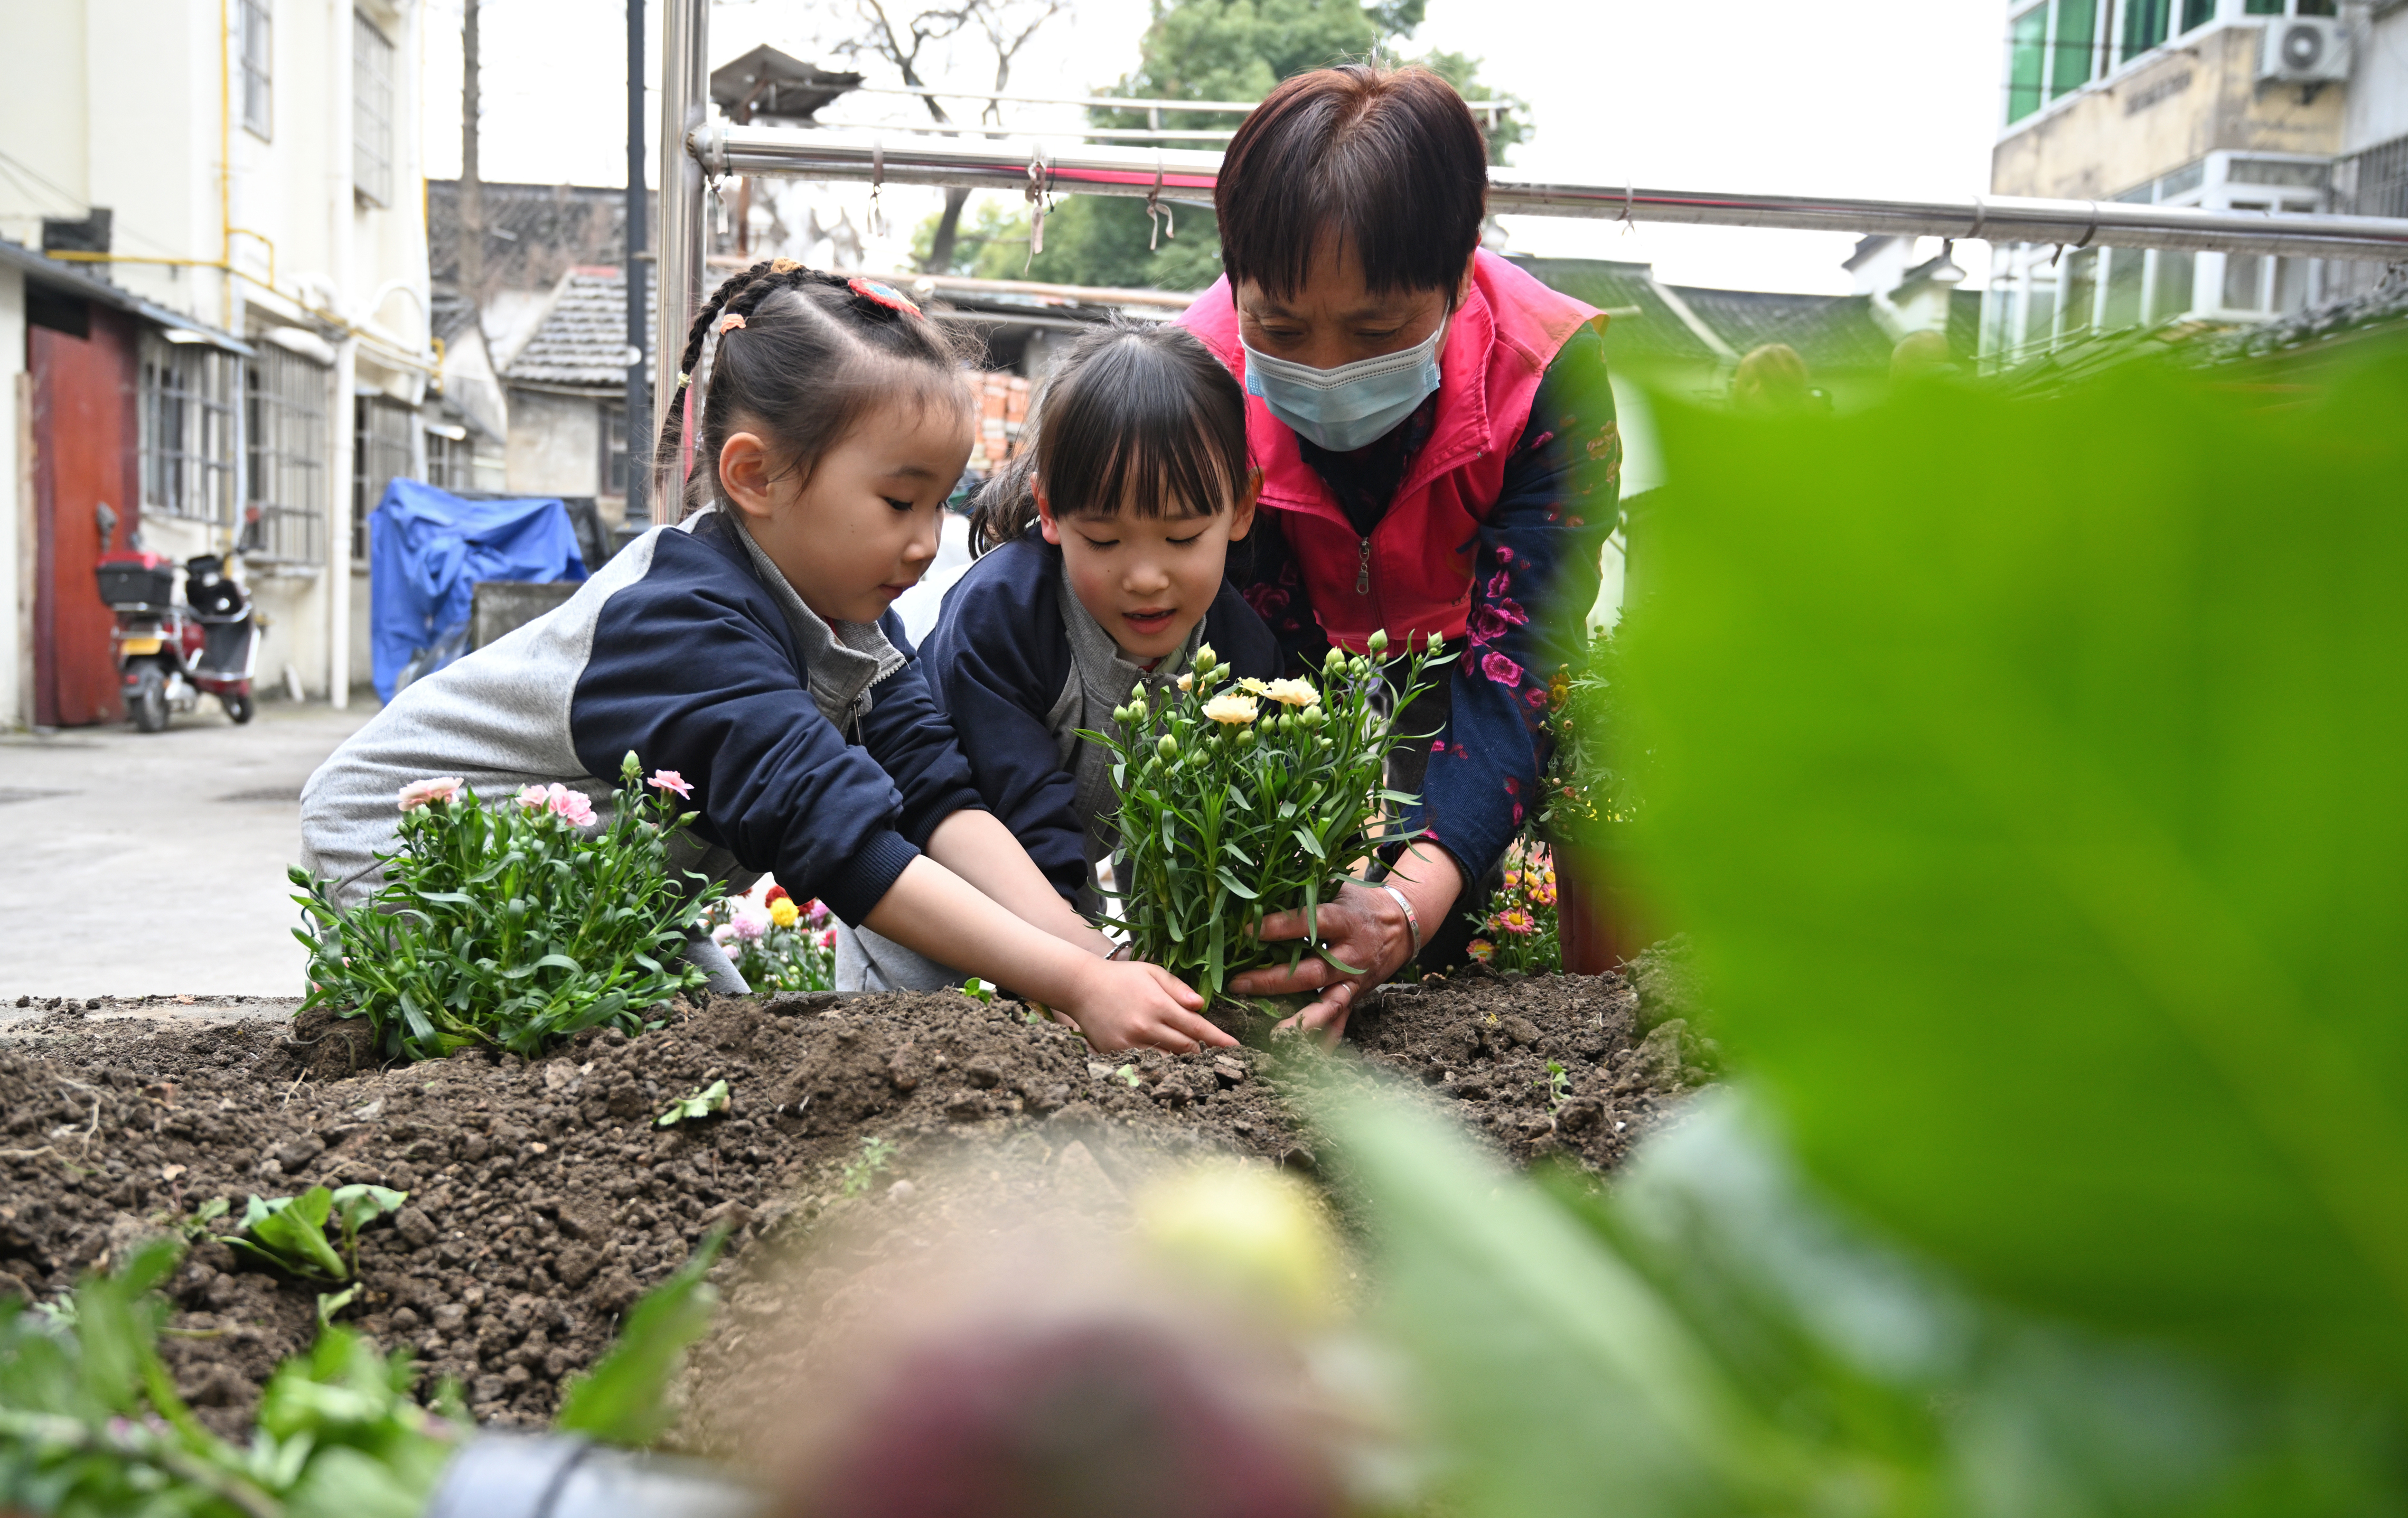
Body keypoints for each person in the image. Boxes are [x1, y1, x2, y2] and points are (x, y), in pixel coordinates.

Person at [298, 259, 1231, 1055]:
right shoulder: (684, 622)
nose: (926, 540)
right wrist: (1072, 981)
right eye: (900, 502)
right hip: (413, 851)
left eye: (943, 502)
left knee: (718, 1053)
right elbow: (843, 840)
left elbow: (939, 797)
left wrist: (1091, 955)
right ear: (755, 476)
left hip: (593, 889)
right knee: (597, 1059)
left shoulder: (853, 624)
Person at [1174, 64, 1623, 1039]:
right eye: (1282, 328)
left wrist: (1407, 904)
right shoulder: (1199, 376)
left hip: (1460, 650)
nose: (1326, 368)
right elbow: (1234, 644)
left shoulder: (1546, 372)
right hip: (1279, 652)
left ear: (1459, 278)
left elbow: (1521, 661)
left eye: (1377, 329)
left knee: (1440, 923)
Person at [841, 322, 1282, 991]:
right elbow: (1025, 810)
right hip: (925, 879)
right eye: (1103, 541)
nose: (1145, 577)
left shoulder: (1240, 647)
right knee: (921, 1046)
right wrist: (1088, 968)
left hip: (1060, 896)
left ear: (1242, 508)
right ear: (1049, 511)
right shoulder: (1006, 616)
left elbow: (1195, 830)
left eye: (1183, 536)